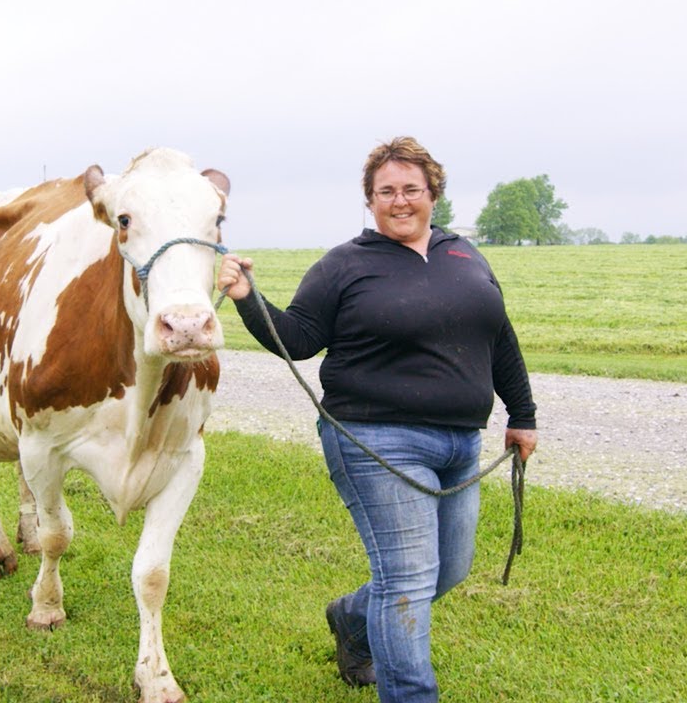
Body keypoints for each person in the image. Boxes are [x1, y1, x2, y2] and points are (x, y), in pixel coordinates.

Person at [217, 136, 538, 702]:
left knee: (448, 571)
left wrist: (523, 414)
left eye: (411, 188)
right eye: (385, 190)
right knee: (410, 580)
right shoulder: (345, 265)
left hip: (462, 441)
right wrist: (247, 296)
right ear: (369, 200)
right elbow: (299, 339)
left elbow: (500, 337)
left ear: (432, 193)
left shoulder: (466, 255)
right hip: (373, 437)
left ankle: (352, 618)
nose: (399, 200)